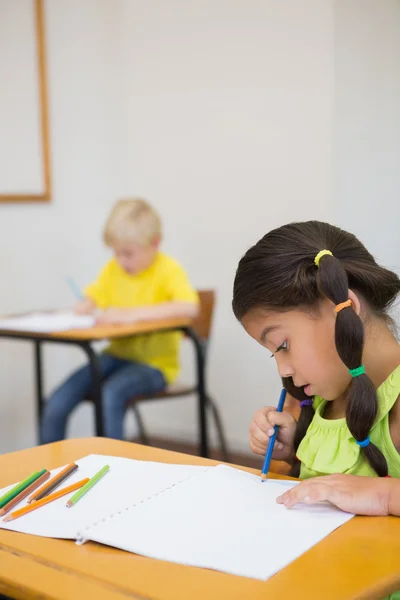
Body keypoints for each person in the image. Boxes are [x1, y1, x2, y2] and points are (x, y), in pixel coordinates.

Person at [232, 220, 400, 479]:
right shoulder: (317, 399)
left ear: (344, 307)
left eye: (283, 345)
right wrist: (294, 449)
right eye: (273, 353)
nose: (284, 370)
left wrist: (382, 495)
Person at [41, 198, 198, 443]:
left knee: (110, 394)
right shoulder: (113, 270)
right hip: (116, 356)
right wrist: (87, 304)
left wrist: (131, 314)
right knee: (58, 399)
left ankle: (112, 466)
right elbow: (95, 295)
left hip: (155, 366)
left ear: (154, 243)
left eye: (128, 254)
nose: (121, 261)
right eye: (116, 253)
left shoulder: (168, 270)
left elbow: (189, 307)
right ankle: (45, 470)